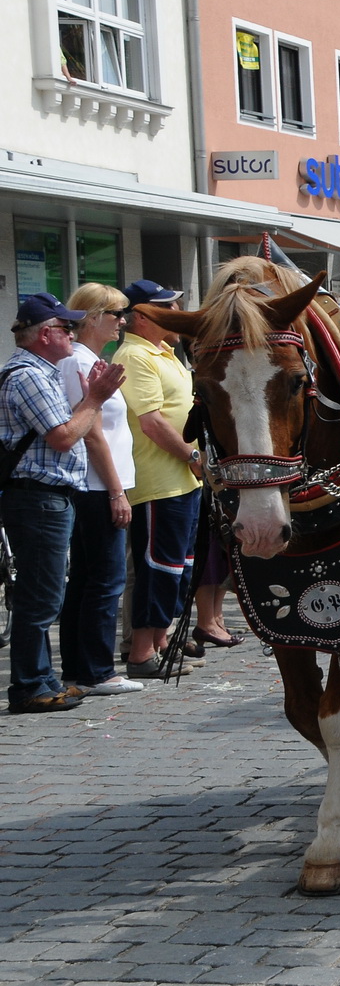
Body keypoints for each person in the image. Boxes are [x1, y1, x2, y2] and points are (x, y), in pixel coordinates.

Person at [2, 293, 127, 713]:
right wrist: (96, 397)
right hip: (38, 499)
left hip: (48, 498)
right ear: (46, 334)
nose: (73, 335)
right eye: (67, 328)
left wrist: (91, 399)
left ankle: (44, 677)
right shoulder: (30, 376)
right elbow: (63, 436)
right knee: (40, 597)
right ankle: (30, 685)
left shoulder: (42, 371)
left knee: (48, 594)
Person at [114, 279, 202, 681]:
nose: (176, 313)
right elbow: (151, 422)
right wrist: (192, 455)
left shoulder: (164, 351)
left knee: (180, 565)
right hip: (158, 478)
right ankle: (141, 652)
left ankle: (162, 639)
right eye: (167, 307)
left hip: (184, 479)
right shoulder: (134, 355)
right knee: (158, 567)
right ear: (144, 316)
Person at [57, 284, 141, 697]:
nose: (122, 321)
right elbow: (91, 434)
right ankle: (95, 670)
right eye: (115, 314)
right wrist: (115, 491)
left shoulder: (89, 360)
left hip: (100, 483)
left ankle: (79, 667)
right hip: (95, 485)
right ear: (92, 317)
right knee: (103, 580)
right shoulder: (77, 363)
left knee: (90, 579)